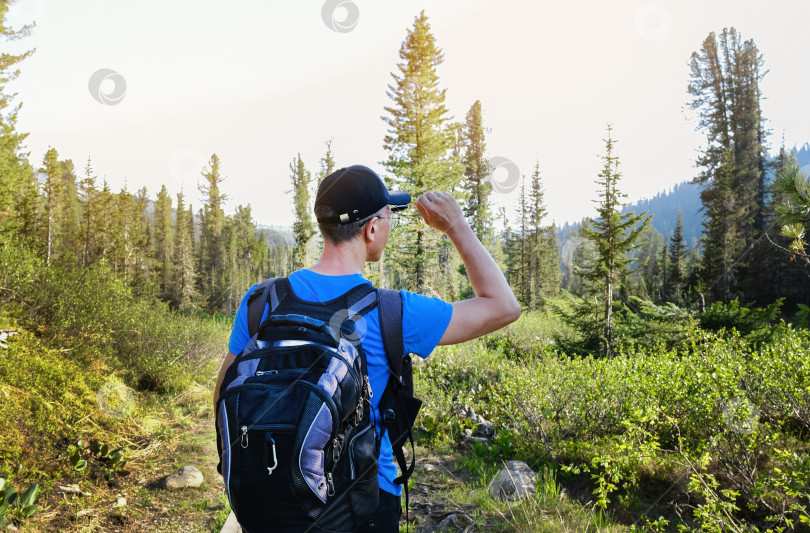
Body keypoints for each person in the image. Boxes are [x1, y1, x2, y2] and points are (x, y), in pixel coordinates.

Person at [214, 165, 520, 531]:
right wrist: (456, 225)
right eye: (389, 215)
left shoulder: (262, 299)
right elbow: (504, 306)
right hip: (364, 505)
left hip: (268, 498)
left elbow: (222, 393)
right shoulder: (391, 310)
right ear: (372, 228)